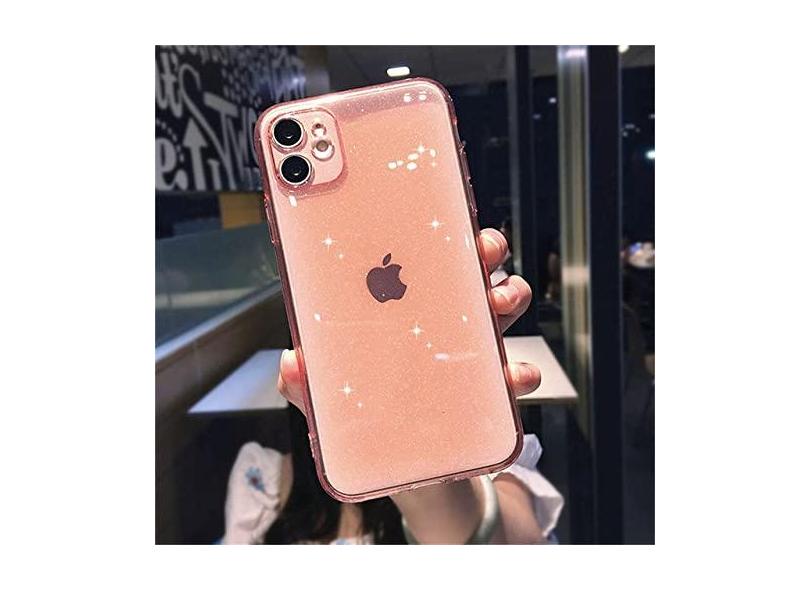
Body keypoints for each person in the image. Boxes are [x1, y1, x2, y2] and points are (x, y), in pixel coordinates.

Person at [222, 228, 563, 544]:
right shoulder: (260, 480)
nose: (376, 338)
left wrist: (410, 448)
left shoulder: (490, 464)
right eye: (347, 321)